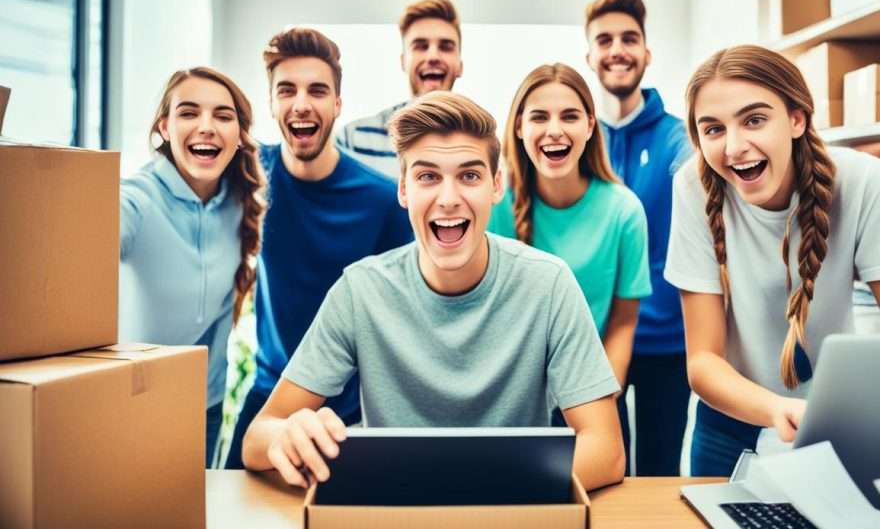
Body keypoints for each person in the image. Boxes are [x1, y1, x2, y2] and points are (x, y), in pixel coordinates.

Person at [241, 92, 625, 492]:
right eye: (427, 177)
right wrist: (287, 436)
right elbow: (258, 436)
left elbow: (606, 449)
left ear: (496, 186)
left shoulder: (549, 284)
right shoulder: (360, 291)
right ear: (403, 190)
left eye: (470, 176)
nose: (448, 199)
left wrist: (469, 497)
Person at [666, 44, 880, 477]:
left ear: (796, 118)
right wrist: (776, 409)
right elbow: (702, 361)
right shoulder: (694, 187)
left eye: (754, 119)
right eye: (713, 129)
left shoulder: (860, 180)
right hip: (728, 427)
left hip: (840, 422)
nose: (735, 147)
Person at [223, 28, 414, 468]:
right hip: (268, 399)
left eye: (318, 90)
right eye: (286, 90)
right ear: (271, 104)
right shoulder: (248, 177)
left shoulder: (383, 200)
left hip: (349, 413)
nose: (302, 103)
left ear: (337, 106)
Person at [488, 63, 650, 453]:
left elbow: (623, 321)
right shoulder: (496, 203)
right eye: (539, 117)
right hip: (512, 402)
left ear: (591, 126)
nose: (555, 129)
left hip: (592, 396)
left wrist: (603, 397)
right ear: (519, 127)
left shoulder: (623, 210)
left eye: (570, 116)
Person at [119, 66, 266, 467]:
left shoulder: (241, 202)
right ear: (165, 127)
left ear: (239, 135)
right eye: (188, 113)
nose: (207, 127)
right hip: (128, 406)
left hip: (205, 407)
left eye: (223, 116)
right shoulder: (136, 199)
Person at [584, 0, 691, 476]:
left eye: (629, 38)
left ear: (647, 52)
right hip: (595, 339)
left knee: (660, 470)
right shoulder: (576, 142)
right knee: (605, 468)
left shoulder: (680, 138)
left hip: (669, 340)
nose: (617, 49)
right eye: (604, 40)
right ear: (590, 56)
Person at [338, 0, 464, 178]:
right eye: (421, 46)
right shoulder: (353, 140)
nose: (433, 56)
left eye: (446, 47)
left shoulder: (484, 145)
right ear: (403, 61)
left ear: (460, 65)